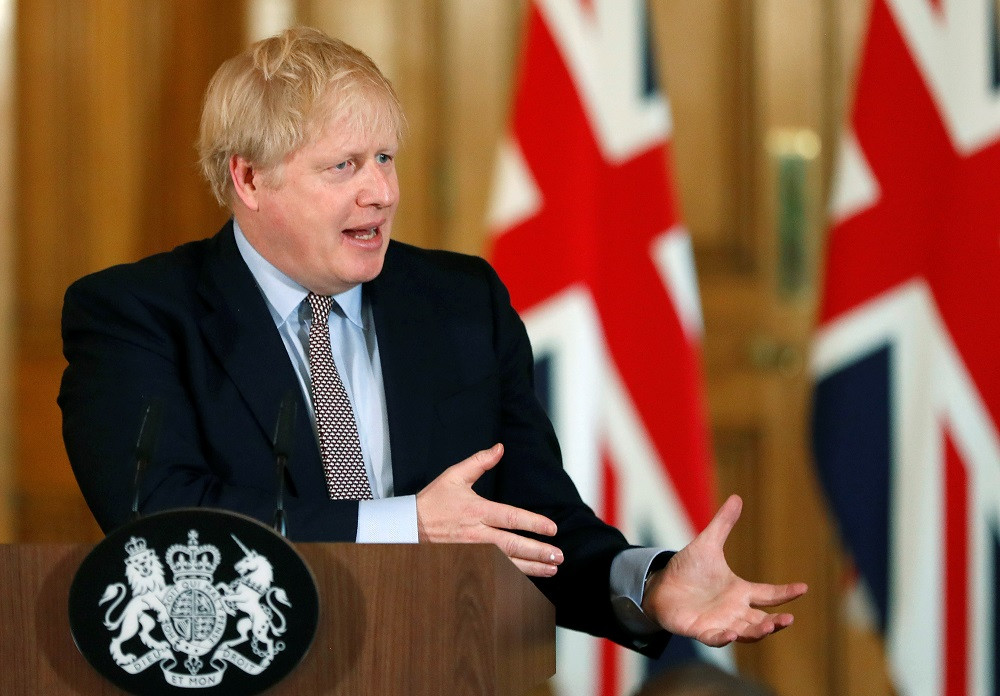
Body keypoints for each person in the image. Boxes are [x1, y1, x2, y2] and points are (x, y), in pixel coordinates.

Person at [59, 26, 805, 655]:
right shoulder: (136, 315)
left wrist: (647, 581)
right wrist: (403, 527)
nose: (380, 192)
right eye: (343, 166)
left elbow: (529, 518)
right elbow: (158, 521)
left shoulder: (458, 302)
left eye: (385, 158)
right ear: (249, 179)